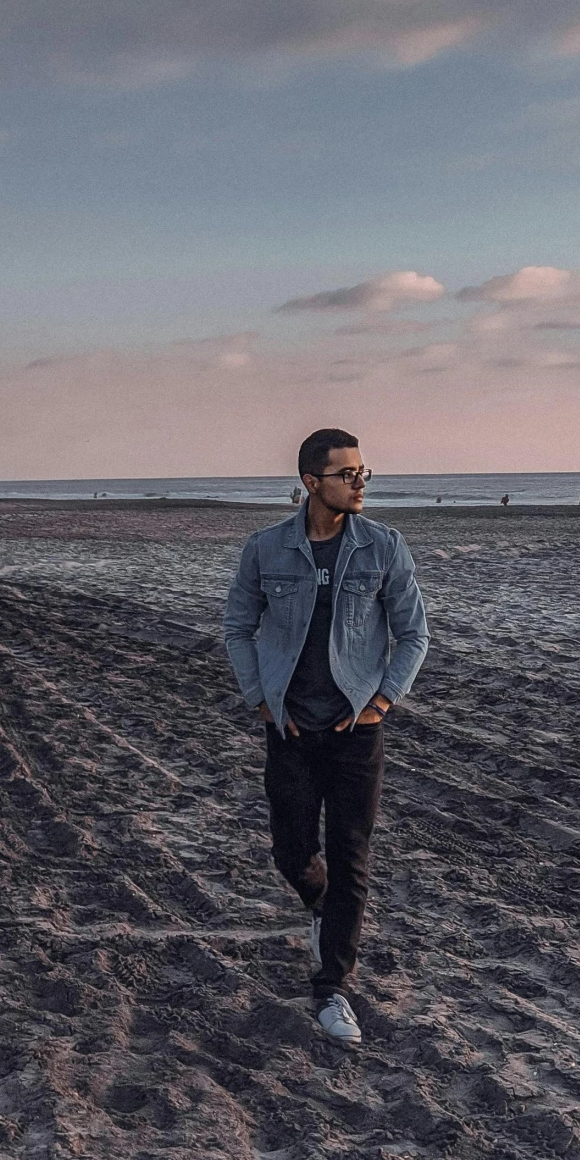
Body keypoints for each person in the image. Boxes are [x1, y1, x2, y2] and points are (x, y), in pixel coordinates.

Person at [223, 428, 429, 1047]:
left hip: (356, 732)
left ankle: (333, 988)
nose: (361, 483)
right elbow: (238, 626)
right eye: (348, 475)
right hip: (288, 726)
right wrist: (260, 697)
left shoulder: (384, 547)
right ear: (312, 484)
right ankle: (321, 908)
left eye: (364, 472)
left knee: (352, 857)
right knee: (291, 852)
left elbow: (413, 633)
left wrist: (384, 700)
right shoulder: (266, 549)